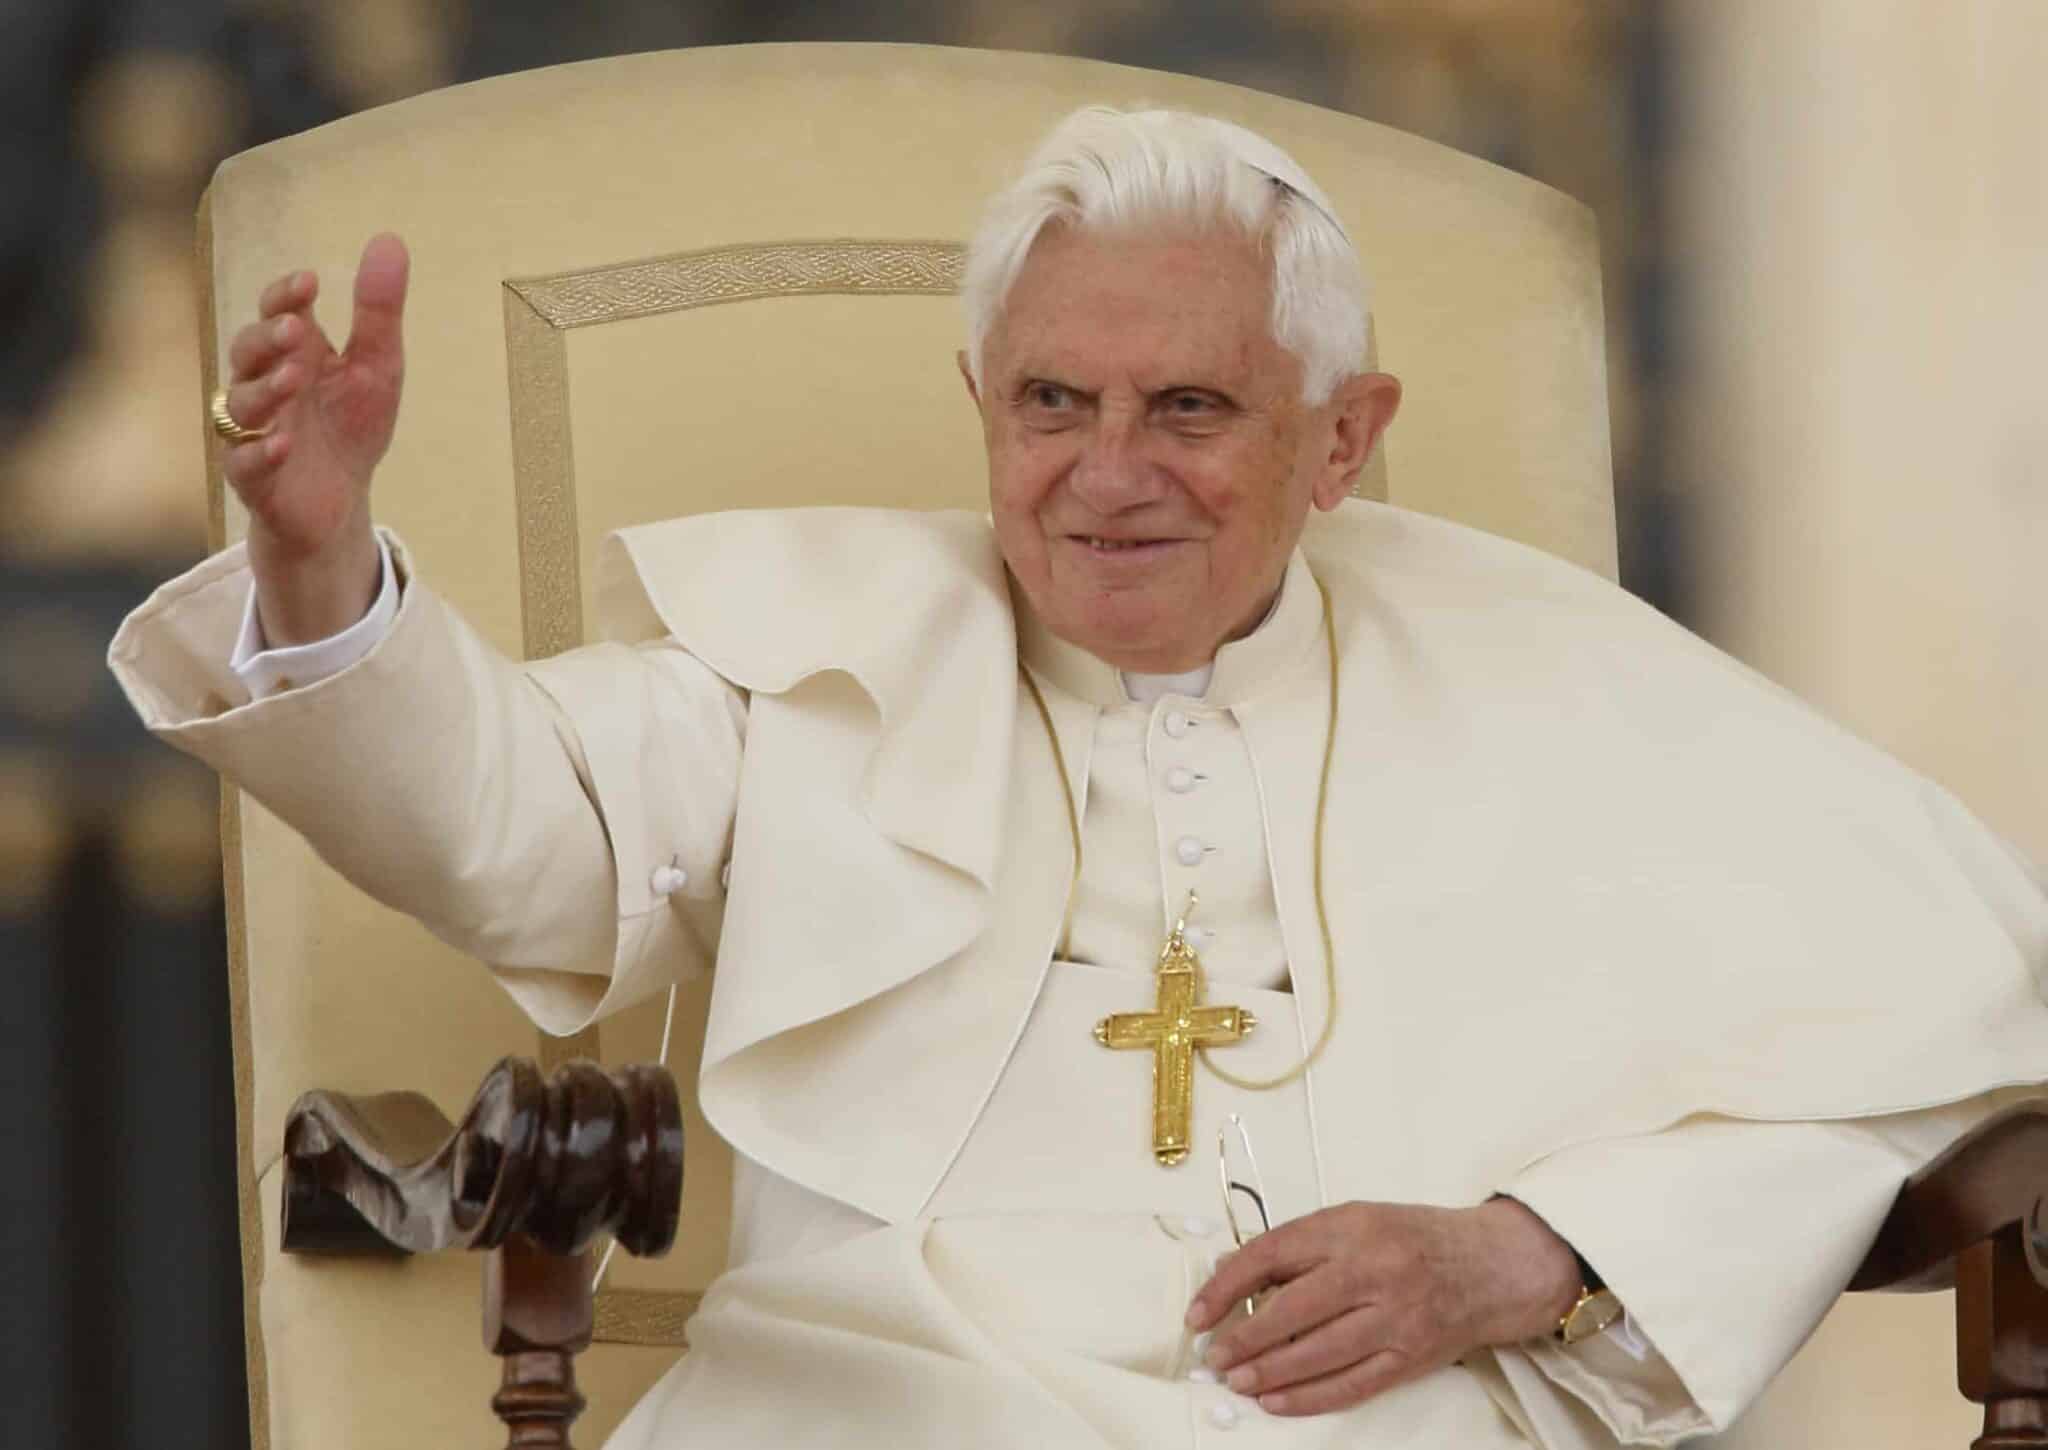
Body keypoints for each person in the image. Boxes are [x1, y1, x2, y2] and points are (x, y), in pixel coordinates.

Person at [110, 107, 2047, 1449]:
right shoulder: (819, 658)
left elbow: (1913, 1040)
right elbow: (520, 828)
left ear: (1342, 436)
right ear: (984, 403)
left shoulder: (1565, 685)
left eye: (1187, 407)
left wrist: (1524, 1251)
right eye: (1052, 400)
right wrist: (314, 563)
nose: (1104, 473)